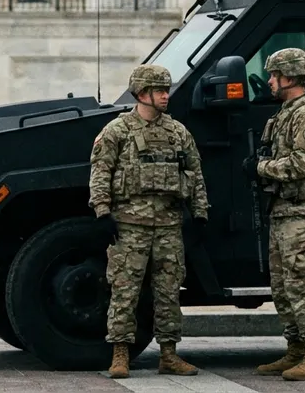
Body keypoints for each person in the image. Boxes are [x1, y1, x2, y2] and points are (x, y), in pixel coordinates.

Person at [88, 64, 209, 379]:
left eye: (166, 90)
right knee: (125, 290)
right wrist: (102, 211)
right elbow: (101, 171)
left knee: (168, 291)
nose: (166, 96)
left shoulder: (177, 132)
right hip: (130, 225)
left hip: (168, 224)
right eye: (160, 90)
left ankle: (169, 354)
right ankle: (120, 355)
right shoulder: (118, 131)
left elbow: (194, 174)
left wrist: (200, 213)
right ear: (142, 93)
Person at [242, 48, 305, 381]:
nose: (269, 81)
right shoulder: (286, 112)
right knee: (283, 286)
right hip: (283, 211)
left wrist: (261, 168)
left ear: (291, 78)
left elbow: (303, 164)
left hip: (303, 212)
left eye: (274, 75)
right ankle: (296, 349)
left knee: (303, 283)